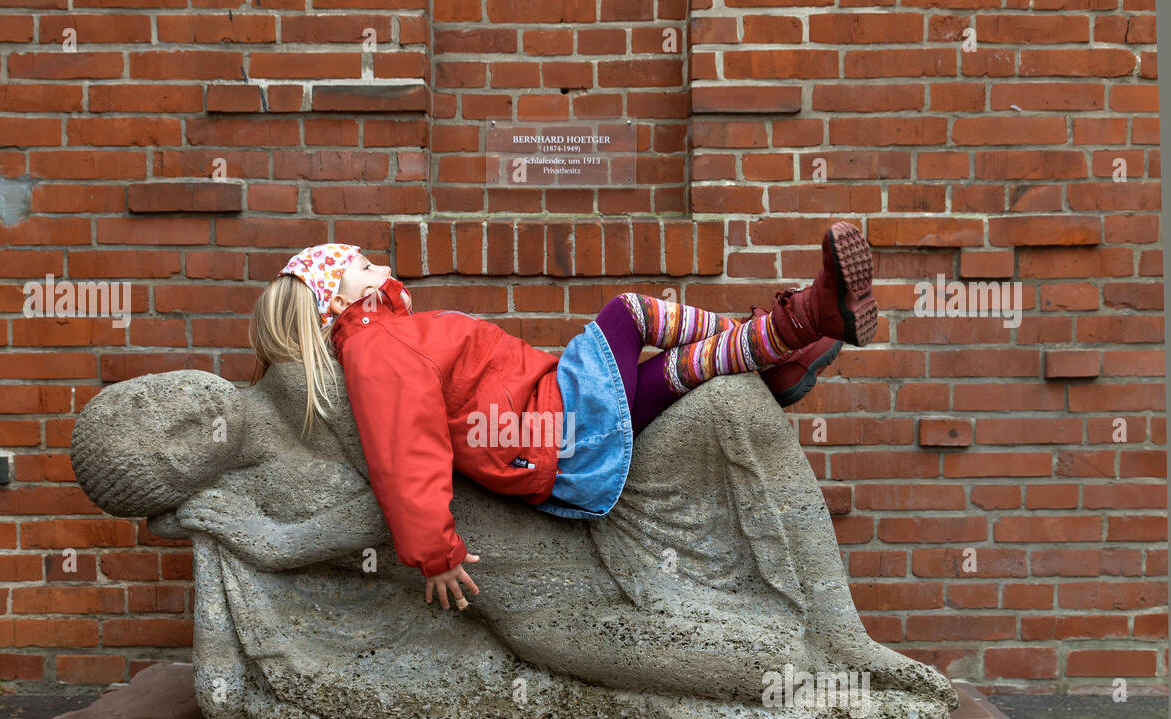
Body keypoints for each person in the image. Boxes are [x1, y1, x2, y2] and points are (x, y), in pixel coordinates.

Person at [248, 223, 877, 611]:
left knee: (675, 372)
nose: (375, 264)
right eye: (359, 264)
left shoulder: (387, 338)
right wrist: (434, 553)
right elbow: (402, 452)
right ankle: (794, 328)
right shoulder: (380, 351)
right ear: (345, 294)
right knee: (628, 314)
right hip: (553, 431)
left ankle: (785, 348)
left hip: (553, 425)